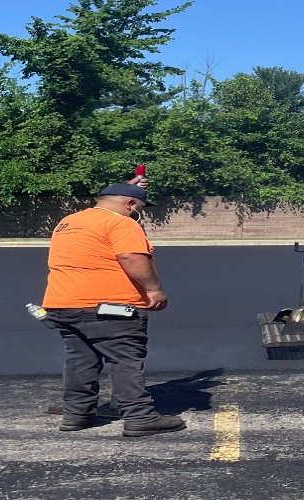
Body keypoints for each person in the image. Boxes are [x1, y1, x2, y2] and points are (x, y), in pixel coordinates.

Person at [38, 178, 184, 437]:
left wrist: (131, 186)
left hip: (63, 304)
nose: (141, 213)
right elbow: (131, 257)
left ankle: (77, 414)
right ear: (129, 204)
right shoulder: (121, 222)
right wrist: (154, 289)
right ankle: (140, 416)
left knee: (80, 359)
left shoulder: (69, 222)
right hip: (110, 306)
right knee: (125, 358)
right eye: (140, 206)